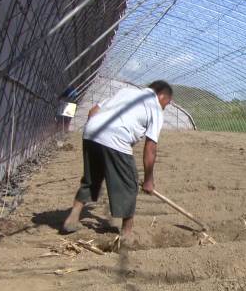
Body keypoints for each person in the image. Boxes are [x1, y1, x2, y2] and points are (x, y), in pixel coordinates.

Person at [62, 80, 173, 244]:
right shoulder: (155, 108)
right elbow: (150, 148)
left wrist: (98, 134)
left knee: (91, 178)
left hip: (91, 132)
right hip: (116, 138)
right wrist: (149, 180)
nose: (165, 106)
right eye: (167, 103)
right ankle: (127, 233)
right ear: (161, 95)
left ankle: (72, 218)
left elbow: (93, 112)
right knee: (129, 184)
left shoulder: (126, 92)